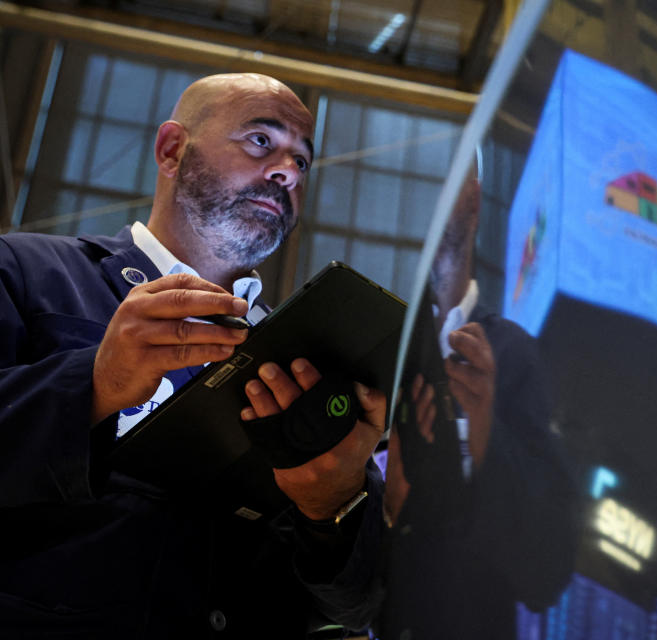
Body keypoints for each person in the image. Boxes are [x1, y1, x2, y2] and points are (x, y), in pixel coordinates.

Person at [0, 73, 384, 638]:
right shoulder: (26, 270)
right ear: (172, 149)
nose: (286, 172)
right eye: (261, 141)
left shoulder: (307, 362)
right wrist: (94, 384)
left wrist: (333, 510)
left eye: (302, 163)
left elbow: (356, 609)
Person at [378, 153, 578, 639]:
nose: (440, 186)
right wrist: (387, 511)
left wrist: (488, 439)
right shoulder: (374, 345)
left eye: (457, 167)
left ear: (478, 193)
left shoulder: (515, 355)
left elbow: (548, 572)